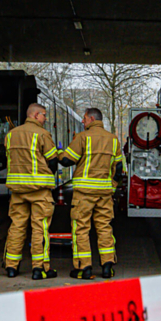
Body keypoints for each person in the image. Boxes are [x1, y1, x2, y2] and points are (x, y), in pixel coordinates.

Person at [60, 108, 127, 279]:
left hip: (83, 194)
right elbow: (119, 169)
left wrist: (58, 153)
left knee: (81, 229)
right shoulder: (113, 139)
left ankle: (84, 268)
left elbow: (67, 161)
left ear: (91, 119)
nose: (82, 122)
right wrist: (111, 186)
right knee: (104, 228)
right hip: (104, 194)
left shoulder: (82, 138)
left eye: (84, 119)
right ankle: (107, 266)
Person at [4, 103, 60, 280]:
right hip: (39, 190)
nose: (45, 118)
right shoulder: (42, 134)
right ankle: (40, 268)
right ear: (35, 115)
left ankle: (11, 266)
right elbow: (52, 161)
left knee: (16, 226)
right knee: (40, 229)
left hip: (17, 190)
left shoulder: (11, 134)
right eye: (44, 115)